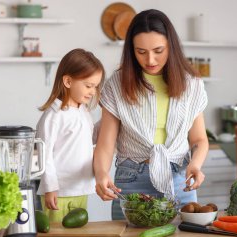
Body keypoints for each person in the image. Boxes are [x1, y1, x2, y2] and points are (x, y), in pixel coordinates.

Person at [93, 9, 209, 220]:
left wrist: (196, 164)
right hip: (131, 180)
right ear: (131, 50)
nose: (151, 59)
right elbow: (105, 144)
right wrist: (101, 174)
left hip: (180, 177)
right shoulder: (117, 85)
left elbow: (199, 139)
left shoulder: (191, 84)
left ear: (171, 46)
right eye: (141, 52)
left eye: (158, 50)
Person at [36, 48, 105, 222]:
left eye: (95, 87)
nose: (92, 92)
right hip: (58, 192)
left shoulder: (83, 111)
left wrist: (108, 120)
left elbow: (88, 140)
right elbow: (45, 155)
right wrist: (50, 187)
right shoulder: (54, 115)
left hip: (80, 188)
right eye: (88, 86)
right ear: (67, 81)